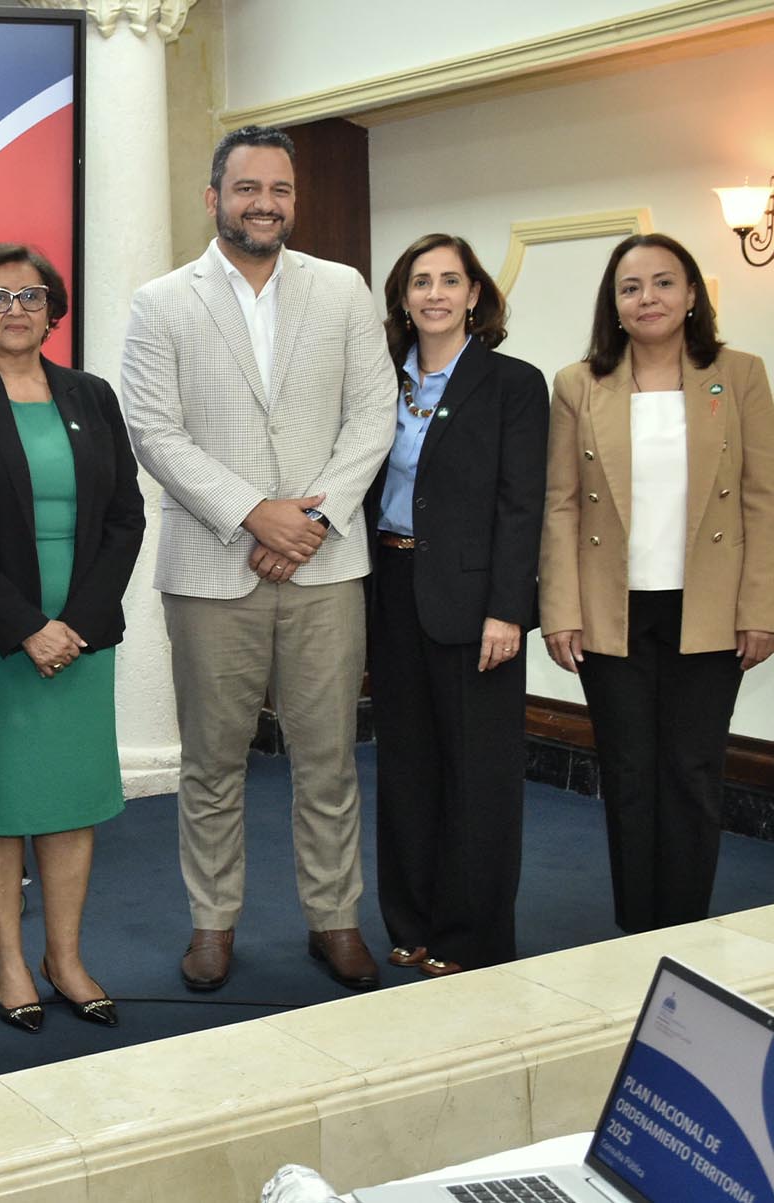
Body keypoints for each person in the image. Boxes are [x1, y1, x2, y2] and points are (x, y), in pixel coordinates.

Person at [121, 125, 394, 993]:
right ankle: (213, 922)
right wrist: (253, 515)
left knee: (328, 758)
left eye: (278, 189)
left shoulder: (343, 290)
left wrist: (310, 522)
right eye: (247, 189)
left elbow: (373, 414)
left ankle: (336, 918)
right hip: (210, 567)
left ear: (292, 200)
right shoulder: (160, 302)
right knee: (211, 761)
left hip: (323, 566)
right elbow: (154, 431)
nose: (264, 203)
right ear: (214, 197)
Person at [539, 232, 774, 933]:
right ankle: (637, 933)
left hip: (710, 611)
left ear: (692, 294)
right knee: (631, 774)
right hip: (612, 611)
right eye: (631, 287)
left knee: (694, 775)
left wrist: (760, 605)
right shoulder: (579, 384)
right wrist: (560, 610)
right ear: (613, 304)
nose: (648, 298)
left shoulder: (739, 374)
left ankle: (687, 927)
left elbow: (764, 495)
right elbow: (560, 502)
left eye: (664, 283)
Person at [0, 243, 144, 1031]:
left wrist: (79, 625)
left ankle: (65, 954)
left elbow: (126, 514)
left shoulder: (90, 394)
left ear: (55, 311)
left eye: (31, 296)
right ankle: (12, 959)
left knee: (69, 798)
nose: (16, 309)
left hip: (81, 633)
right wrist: (24, 625)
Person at [365, 234, 547, 978]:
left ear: (476, 294)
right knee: (406, 765)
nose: (434, 293)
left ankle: (471, 936)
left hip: (476, 605)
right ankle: (410, 921)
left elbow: (521, 504)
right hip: (391, 589)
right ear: (403, 299)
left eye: (450, 280)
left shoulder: (513, 383)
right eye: (419, 281)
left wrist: (509, 608)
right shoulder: (378, 383)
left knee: (478, 774)